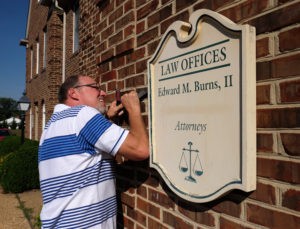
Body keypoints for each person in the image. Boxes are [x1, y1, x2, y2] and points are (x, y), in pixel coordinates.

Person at [38, 75, 149, 228]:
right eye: (96, 87)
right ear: (73, 93)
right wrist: (134, 109)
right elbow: (141, 149)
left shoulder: (51, 126)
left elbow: (96, 156)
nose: (103, 93)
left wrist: (109, 121)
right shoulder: (82, 114)